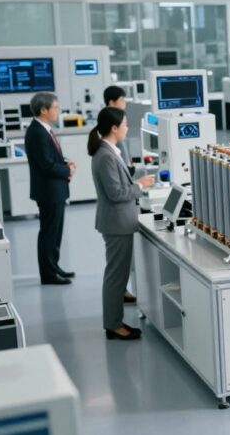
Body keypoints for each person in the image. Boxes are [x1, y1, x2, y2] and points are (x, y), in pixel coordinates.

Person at [88, 107, 155, 341]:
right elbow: (116, 193)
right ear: (114, 128)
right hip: (117, 223)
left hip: (119, 221)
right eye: (125, 125)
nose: (127, 128)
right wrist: (140, 185)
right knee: (116, 278)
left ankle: (114, 322)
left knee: (117, 276)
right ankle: (113, 325)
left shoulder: (108, 152)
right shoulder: (106, 156)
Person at [25, 92, 76, 285]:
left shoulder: (44, 130)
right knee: (49, 233)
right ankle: (48, 275)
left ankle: (54, 266)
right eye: (55, 107)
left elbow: (51, 157)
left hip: (54, 190)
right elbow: (46, 166)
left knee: (55, 233)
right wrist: (67, 169)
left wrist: (65, 162)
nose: (58, 111)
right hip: (49, 192)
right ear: (43, 110)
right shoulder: (37, 132)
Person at [102, 85, 134, 175]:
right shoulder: (110, 119)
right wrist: (127, 166)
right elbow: (120, 144)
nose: (124, 102)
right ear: (111, 102)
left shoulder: (117, 116)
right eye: (121, 99)